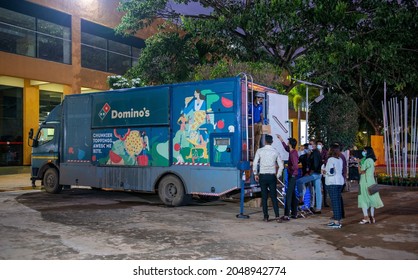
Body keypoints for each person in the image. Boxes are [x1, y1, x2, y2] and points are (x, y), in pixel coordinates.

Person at [253, 134, 284, 222]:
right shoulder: (275, 151)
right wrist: (277, 176)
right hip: (272, 176)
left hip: (262, 176)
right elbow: (281, 166)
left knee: (264, 197)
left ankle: (266, 217)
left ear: (265, 142)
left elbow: (255, 163)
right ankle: (277, 216)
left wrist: (255, 174)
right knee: (274, 196)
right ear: (272, 142)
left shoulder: (259, 151)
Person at [357, 146, 384, 224]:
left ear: (368, 152)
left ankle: (366, 218)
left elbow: (361, 171)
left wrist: (358, 163)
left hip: (364, 182)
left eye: (365, 151)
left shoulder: (366, 161)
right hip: (372, 182)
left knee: (363, 199)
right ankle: (372, 217)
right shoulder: (371, 160)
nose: (363, 152)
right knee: (372, 199)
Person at [296, 139, 323, 214]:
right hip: (317, 174)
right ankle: (318, 208)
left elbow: (315, 164)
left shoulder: (314, 153)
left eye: (312, 144)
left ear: (315, 145)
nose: (310, 146)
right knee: (317, 191)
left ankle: (301, 199)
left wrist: (309, 172)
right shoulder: (315, 153)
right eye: (309, 144)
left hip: (314, 174)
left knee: (299, 181)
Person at [321, 144, 345, 228]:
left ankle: (337, 222)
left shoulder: (331, 159)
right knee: (337, 201)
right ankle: (337, 219)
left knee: (334, 202)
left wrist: (324, 172)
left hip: (332, 182)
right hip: (339, 182)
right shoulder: (340, 159)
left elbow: (331, 172)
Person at [277, 135, 299, 220]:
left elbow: (295, 166)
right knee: (292, 194)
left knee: (289, 195)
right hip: (293, 175)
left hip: (292, 175)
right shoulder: (292, 151)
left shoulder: (293, 154)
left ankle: (286, 215)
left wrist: (289, 168)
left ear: (290, 144)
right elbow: (286, 148)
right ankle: (294, 213)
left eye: (288, 142)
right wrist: (281, 140)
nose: (287, 144)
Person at [317, 140, 329, 207]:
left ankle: (325, 201)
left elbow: (326, 160)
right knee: (317, 187)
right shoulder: (315, 152)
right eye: (318, 144)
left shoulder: (325, 152)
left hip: (323, 171)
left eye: (320, 144)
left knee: (324, 187)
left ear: (322, 145)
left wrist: (322, 161)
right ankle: (317, 201)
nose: (319, 145)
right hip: (318, 171)